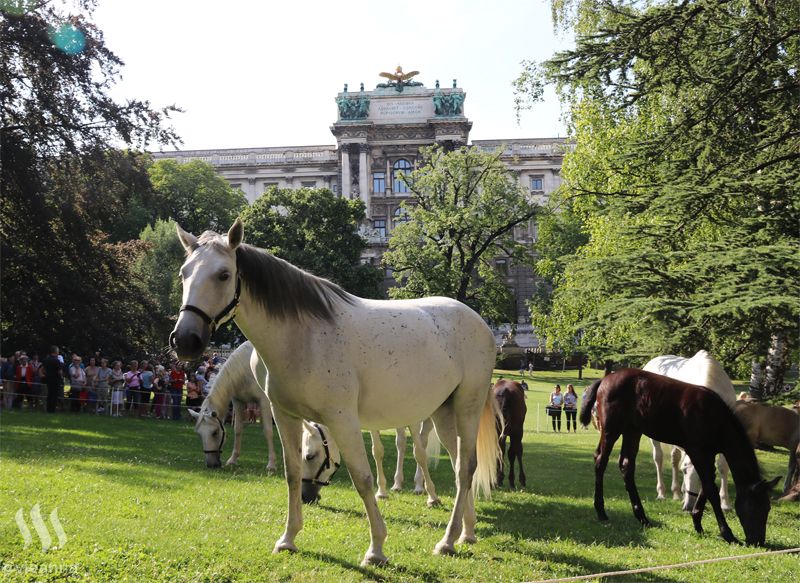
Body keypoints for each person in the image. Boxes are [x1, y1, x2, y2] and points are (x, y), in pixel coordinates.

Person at [42, 346, 64, 413]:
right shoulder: (56, 360)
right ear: (56, 351)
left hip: (48, 379)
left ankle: (48, 409)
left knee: (49, 394)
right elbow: (60, 371)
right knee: (54, 395)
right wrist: (61, 377)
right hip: (56, 379)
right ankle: (52, 409)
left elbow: (44, 370)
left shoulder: (46, 360)